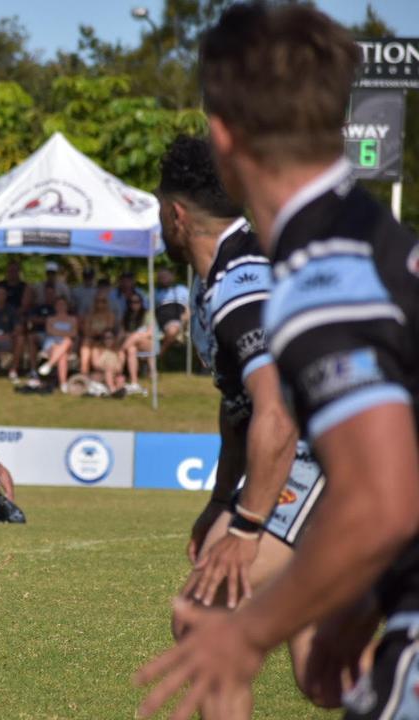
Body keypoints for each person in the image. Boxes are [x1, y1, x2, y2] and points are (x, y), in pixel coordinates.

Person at [136, 6, 419, 719]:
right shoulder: (366, 235)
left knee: (212, 622)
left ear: (224, 135)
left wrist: (250, 618)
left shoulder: (321, 276)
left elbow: (386, 499)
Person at [159, 135, 331, 717]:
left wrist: (248, 525)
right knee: (323, 676)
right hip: (329, 453)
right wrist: (219, 501)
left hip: (329, 454)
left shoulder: (240, 280)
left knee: (203, 616)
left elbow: (277, 409)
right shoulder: (221, 281)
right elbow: (240, 408)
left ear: (175, 215)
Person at [35, 296, 77, 386]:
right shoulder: (51, 319)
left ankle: (49, 364)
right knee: (63, 355)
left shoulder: (72, 319)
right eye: (59, 304)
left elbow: (73, 333)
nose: (61, 306)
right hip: (52, 344)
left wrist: (57, 332)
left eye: (63, 304)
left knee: (67, 341)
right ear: (55, 306)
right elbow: (49, 331)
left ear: (67, 306)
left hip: (67, 345)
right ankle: (63, 383)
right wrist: (65, 333)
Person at [119, 292, 153, 394]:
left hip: (147, 343)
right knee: (131, 349)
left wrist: (134, 336)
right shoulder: (126, 316)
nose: (134, 304)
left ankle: (119, 355)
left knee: (135, 336)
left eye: (137, 302)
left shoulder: (148, 314)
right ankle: (134, 382)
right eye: (132, 302)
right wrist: (131, 336)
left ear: (141, 302)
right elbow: (122, 332)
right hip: (132, 344)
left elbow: (149, 333)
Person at [78, 293, 118, 376]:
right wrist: (95, 333)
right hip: (92, 339)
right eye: (98, 301)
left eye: (103, 301)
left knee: (97, 345)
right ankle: (84, 373)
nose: (100, 303)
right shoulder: (90, 315)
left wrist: (97, 332)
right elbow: (86, 330)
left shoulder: (110, 315)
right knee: (85, 347)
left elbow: (109, 330)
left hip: (106, 340)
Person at [153, 267, 190, 354]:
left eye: (166, 276)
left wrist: (187, 316)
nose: (164, 279)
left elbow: (189, 306)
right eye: (162, 277)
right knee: (172, 330)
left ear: (172, 277)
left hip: (183, 317)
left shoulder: (182, 289)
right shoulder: (156, 292)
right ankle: (159, 354)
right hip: (166, 319)